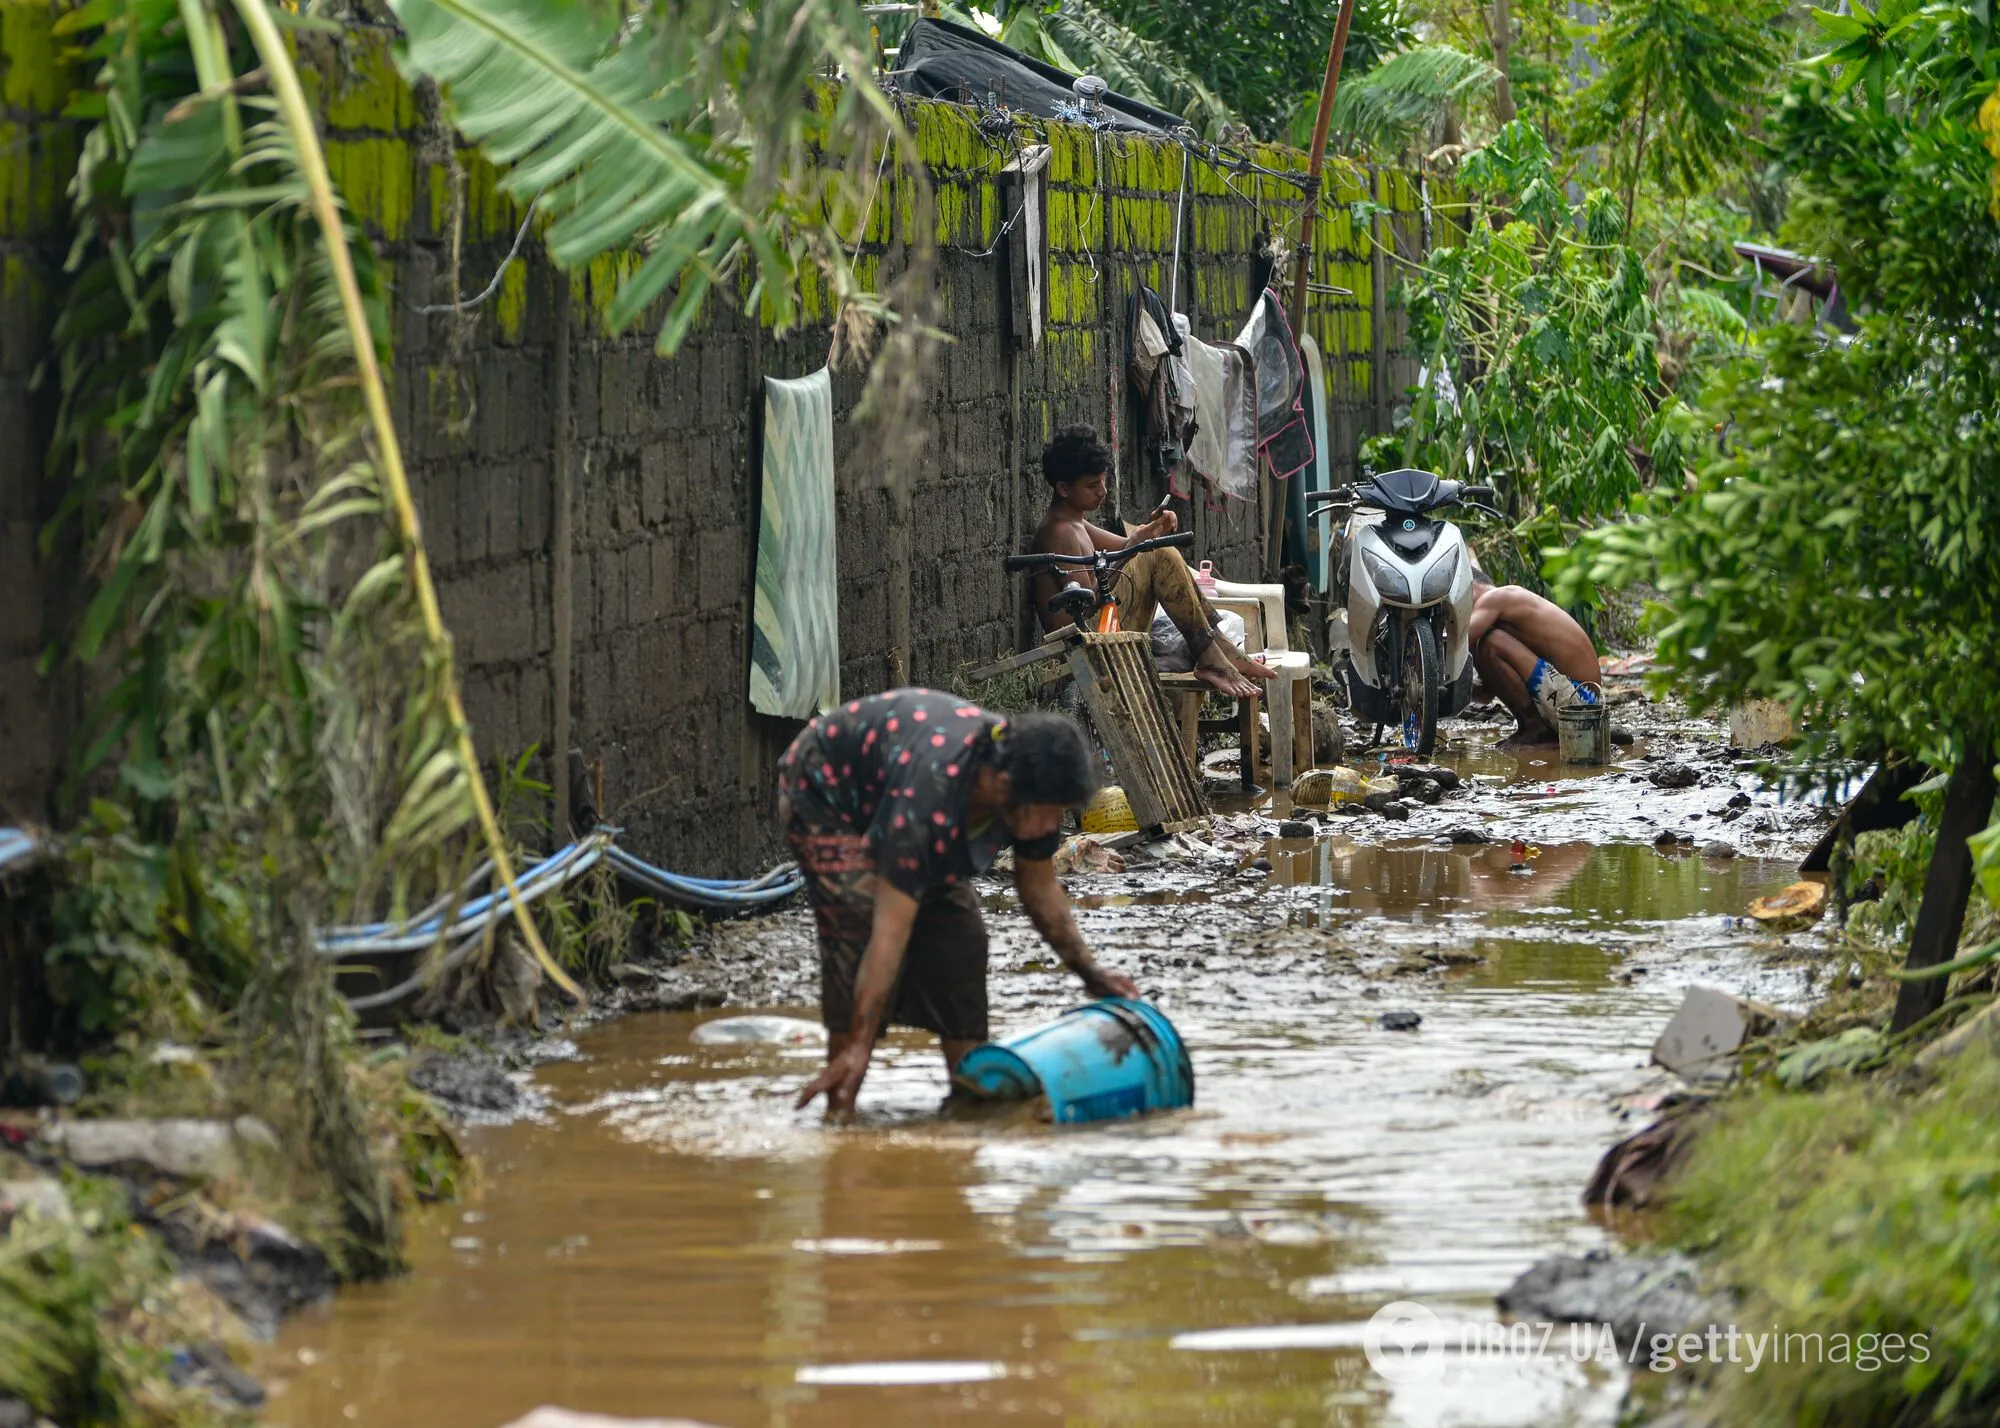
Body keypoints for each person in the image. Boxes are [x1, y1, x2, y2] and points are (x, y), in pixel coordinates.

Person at [781, 690, 1138, 1115]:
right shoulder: (933, 795)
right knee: (855, 929)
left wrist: (1090, 973)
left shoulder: (1032, 791)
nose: (1048, 826)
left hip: (904, 800)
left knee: (962, 940)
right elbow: (889, 932)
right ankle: (841, 1104)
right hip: (827, 791)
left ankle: (971, 1103)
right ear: (1004, 783)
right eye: (1045, 812)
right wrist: (860, 1044)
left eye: (1058, 813)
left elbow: (1040, 889)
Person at [1030, 425, 1273, 698]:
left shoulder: (1076, 522)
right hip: (1082, 649)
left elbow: (1126, 546)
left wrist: (1155, 527)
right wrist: (1136, 547)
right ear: (1062, 488)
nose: (1103, 491)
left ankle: (1214, 645)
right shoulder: (1060, 531)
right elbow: (1086, 606)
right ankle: (1211, 652)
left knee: (1158, 551)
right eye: (1092, 485)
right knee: (1159, 555)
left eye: (1103, 481)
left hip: (1099, 633)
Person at [1466, 569, 1602, 749]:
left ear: (1470, 588)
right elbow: (1485, 694)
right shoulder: (1495, 619)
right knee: (1486, 643)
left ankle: (1535, 730)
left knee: (1490, 643)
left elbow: (1461, 641)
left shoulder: (1496, 597)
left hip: (1580, 701)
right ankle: (1534, 729)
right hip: (1580, 705)